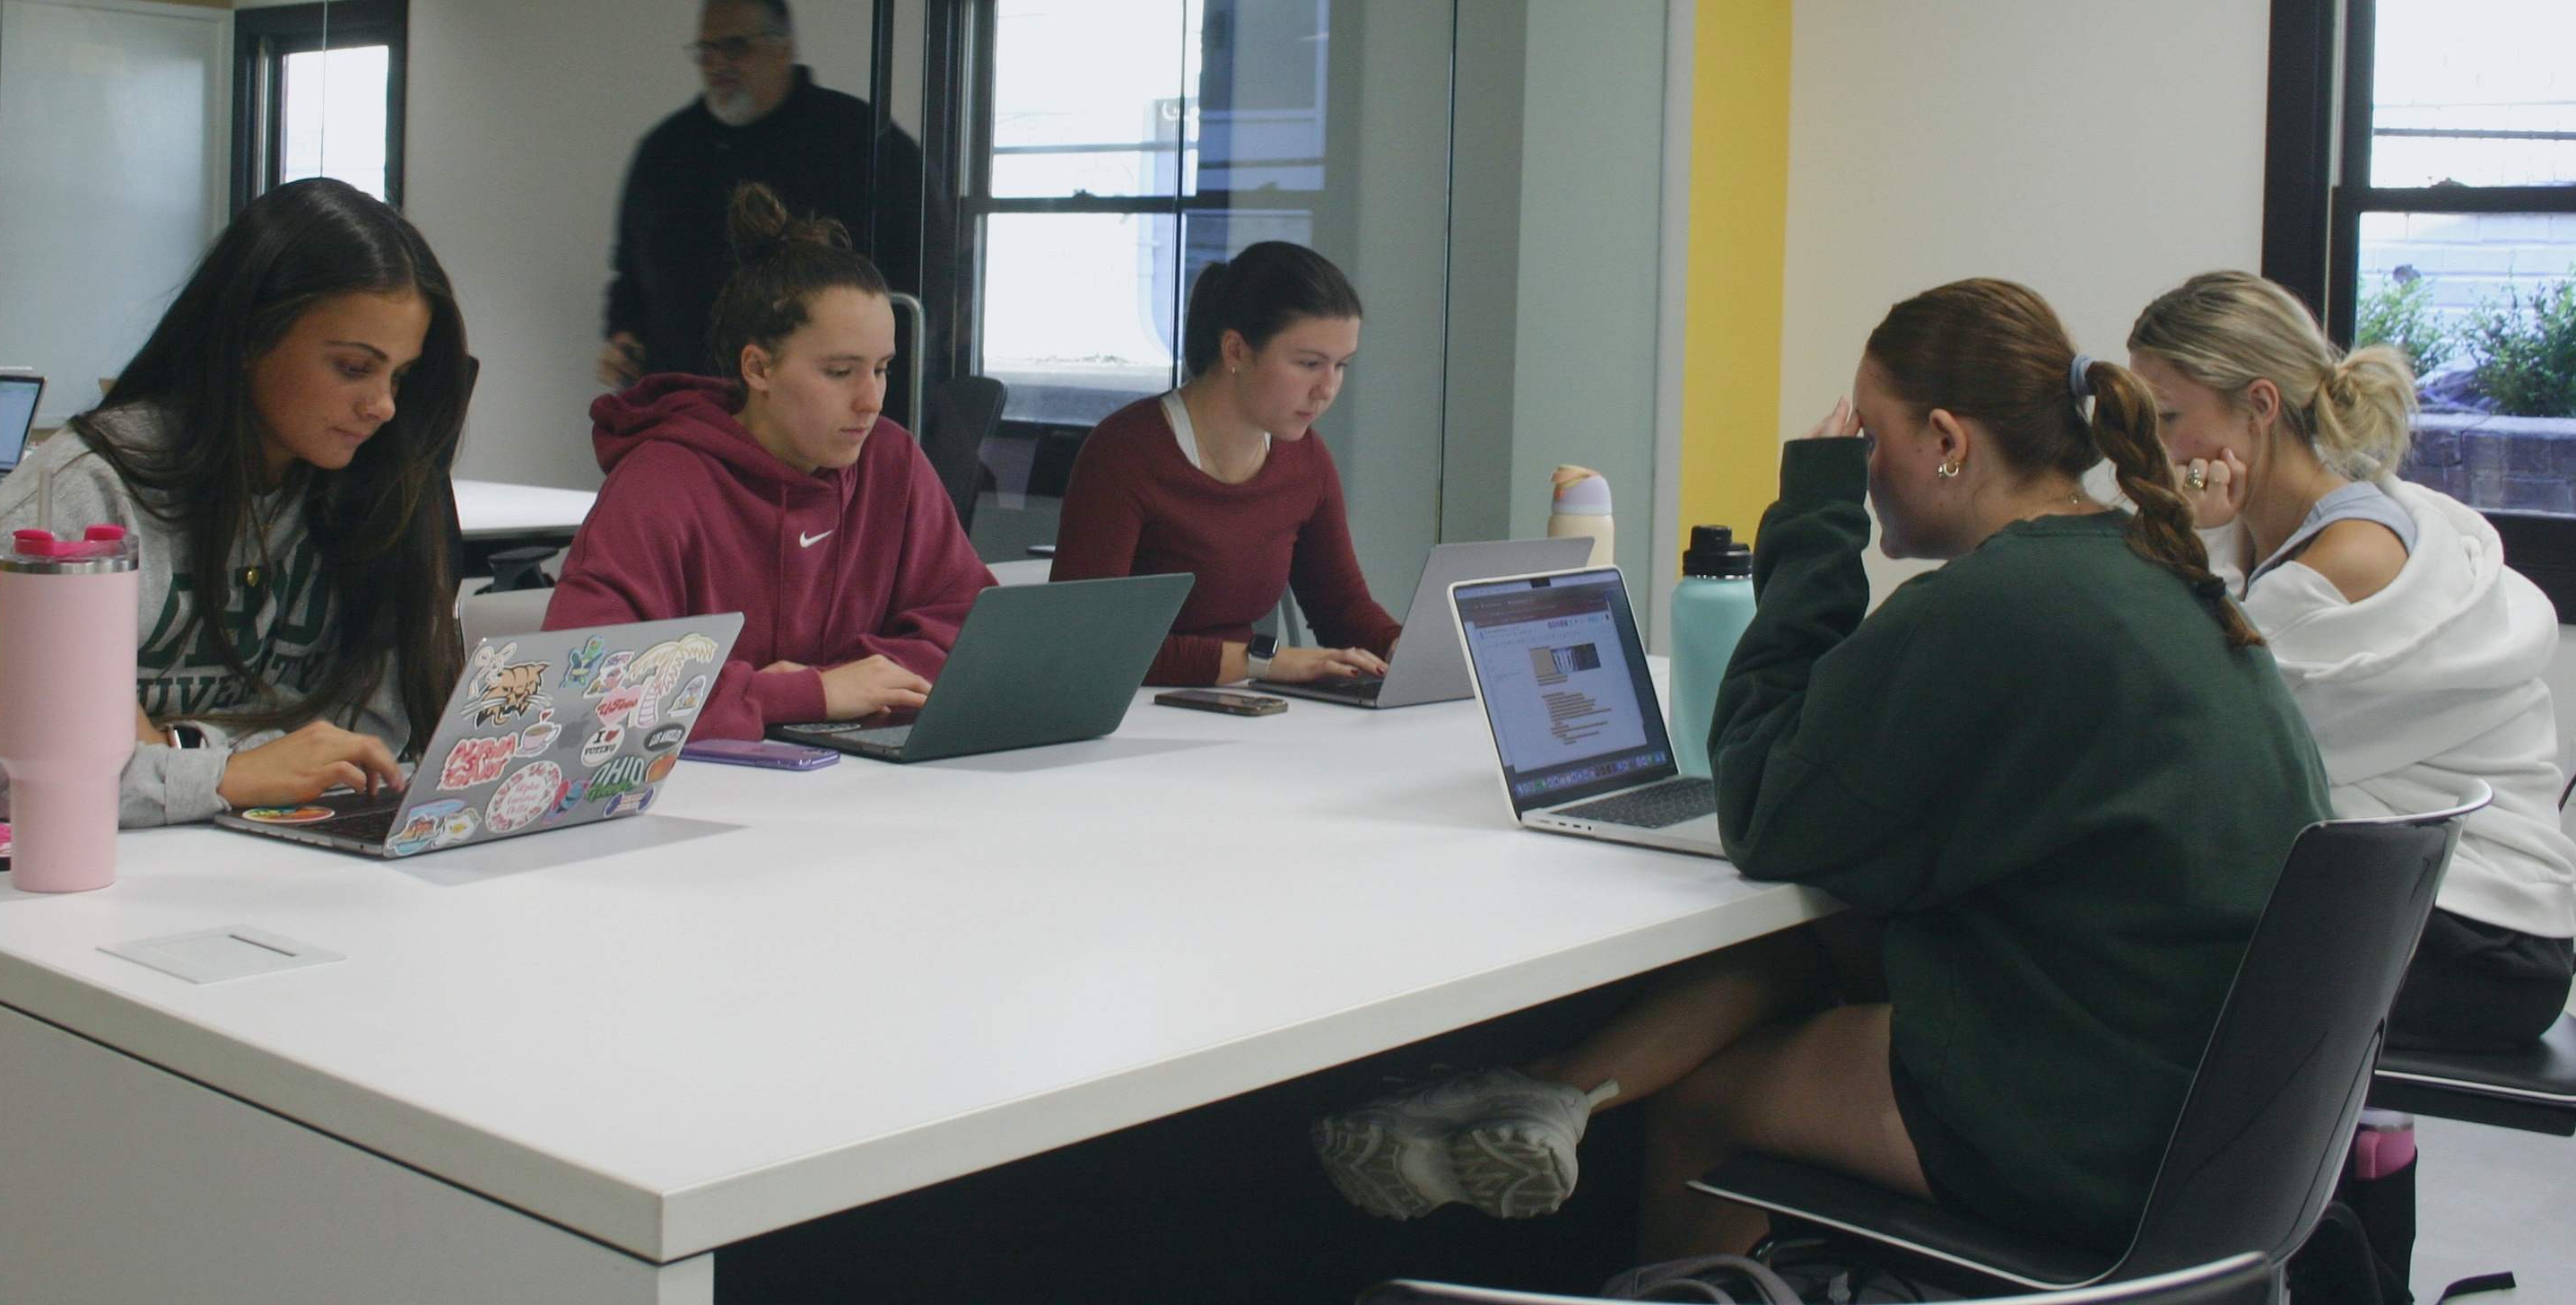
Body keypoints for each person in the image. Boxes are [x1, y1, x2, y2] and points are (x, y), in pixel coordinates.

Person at [1312, 279, 2329, 1264]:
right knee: (1838, 923)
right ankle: (1546, 1090)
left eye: (1870, 441)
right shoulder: (2141, 564)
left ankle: (1566, 1123)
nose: (1864, 465)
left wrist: (1815, 510)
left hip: (2094, 1126)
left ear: (1945, 440)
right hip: (2227, 1110)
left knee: (1709, 1106)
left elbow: (1764, 810)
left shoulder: (1994, 603)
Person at [0, 180, 470, 826]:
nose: (384, 407)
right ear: (249, 336)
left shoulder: (375, 491)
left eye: (400, 376)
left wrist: (173, 747)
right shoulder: (87, 491)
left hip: (270, 859)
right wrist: (227, 773)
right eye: (353, 368)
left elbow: (375, 747)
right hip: (90, 882)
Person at [2129, 270, 2576, 1049]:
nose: (2154, 447)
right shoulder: (2303, 530)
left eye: (2169, 417)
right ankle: (2359, 1163)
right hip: (2441, 914)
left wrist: (2177, 533)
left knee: (2117, 959)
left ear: (2260, 407)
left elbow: (2206, 734)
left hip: (2481, 940)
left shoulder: (2344, 561)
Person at [552, 183, 990, 735]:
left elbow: (972, 633)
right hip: (709, 798)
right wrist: (805, 693)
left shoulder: (892, 460)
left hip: (860, 787)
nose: (871, 399)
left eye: (881, 368)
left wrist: (830, 686)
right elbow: (581, 690)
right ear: (758, 369)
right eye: (839, 372)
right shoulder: (661, 484)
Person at [1051, 242, 1398, 689]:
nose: (1327, 388)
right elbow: (1086, 640)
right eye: (1309, 363)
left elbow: (1342, 608)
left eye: (1341, 366)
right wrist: (1265, 662)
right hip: (1131, 713)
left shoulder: (1305, 458)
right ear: (1235, 350)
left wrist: (1404, 648)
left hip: (1240, 706)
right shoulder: (1127, 452)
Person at [600, 0, 924, 387]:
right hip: (685, 397)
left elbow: (925, 259)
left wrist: (881, 371)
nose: (718, 64)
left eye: (735, 47)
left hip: (818, 404)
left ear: (784, 47)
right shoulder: (665, 151)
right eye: (706, 50)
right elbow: (630, 265)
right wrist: (623, 333)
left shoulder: (858, 138)